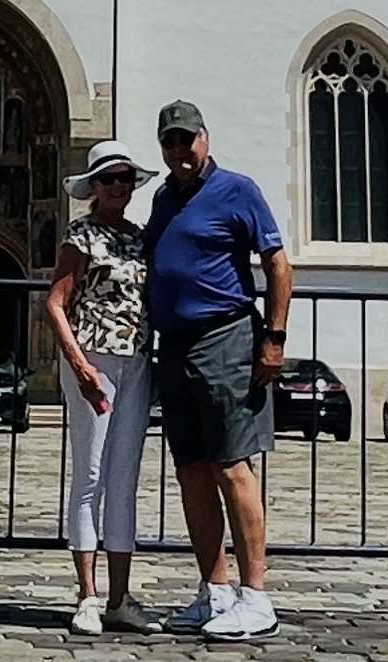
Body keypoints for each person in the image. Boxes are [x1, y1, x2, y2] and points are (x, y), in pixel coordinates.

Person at [144, 101, 291, 642]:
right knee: (191, 472)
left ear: (205, 138)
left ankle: (257, 597)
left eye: (186, 140)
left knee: (233, 467)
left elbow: (277, 263)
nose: (179, 152)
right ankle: (216, 590)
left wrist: (273, 339)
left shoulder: (237, 189)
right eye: (170, 143)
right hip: (176, 348)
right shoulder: (163, 197)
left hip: (225, 339)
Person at [45, 138, 160, 636]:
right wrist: (79, 366)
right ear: (93, 187)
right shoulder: (82, 235)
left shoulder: (139, 237)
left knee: (124, 478)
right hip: (93, 359)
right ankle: (87, 595)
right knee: (90, 475)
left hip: (135, 361)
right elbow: (55, 302)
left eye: (125, 178)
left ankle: (120, 597)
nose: (118, 186)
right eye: (109, 178)